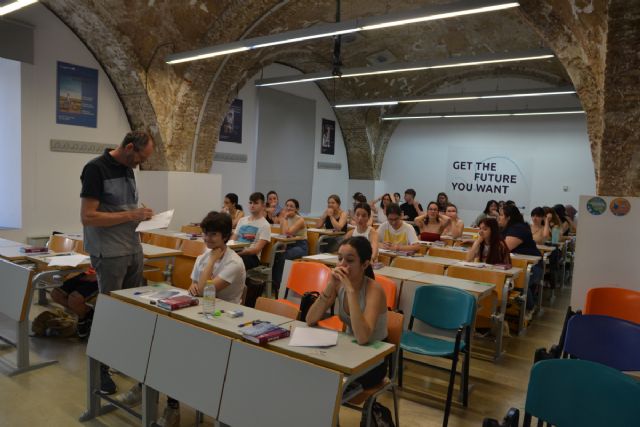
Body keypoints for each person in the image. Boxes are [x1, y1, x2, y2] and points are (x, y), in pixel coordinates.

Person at [80, 130, 154, 397]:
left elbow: (123, 208)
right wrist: (131, 214)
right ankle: (99, 369)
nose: (139, 164)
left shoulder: (127, 169)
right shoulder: (94, 169)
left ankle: (119, 359)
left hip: (132, 247)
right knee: (109, 311)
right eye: (139, 158)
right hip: (109, 252)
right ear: (129, 147)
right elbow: (88, 217)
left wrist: (141, 215)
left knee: (129, 310)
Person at [159, 211, 246, 427]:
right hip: (203, 314)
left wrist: (212, 261)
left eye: (213, 234)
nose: (207, 239)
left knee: (188, 356)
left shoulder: (234, 262)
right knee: (167, 348)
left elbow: (205, 289)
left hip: (226, 322)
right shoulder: (202, 256)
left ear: (225, 236)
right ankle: (170, 404)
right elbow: (194, 288)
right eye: (205, 233)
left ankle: (217, 410)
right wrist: (205, 269)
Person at [306, 237, 388, 387]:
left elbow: (363, 338)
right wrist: (330, 285)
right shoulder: (338, 285)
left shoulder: (374, 290)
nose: (342, 265)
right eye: (339, 259)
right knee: (310, 368)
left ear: (364, 264)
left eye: (349, 261)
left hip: (375, 357)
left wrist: (350, 291)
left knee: (327, 380)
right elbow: (310, 319)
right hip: (351, 348)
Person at [499, 204, 542, 309]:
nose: (498, 217)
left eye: (500, 215)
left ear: (508, 217)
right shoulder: (506, 228)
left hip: (532, 266)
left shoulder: (518, 229)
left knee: (518, 280)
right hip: (515, 265)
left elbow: (504, 248)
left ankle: (529, 309)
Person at [272, 199, 308, 294]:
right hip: (288, 244)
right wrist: (284, 219)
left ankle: (280, 286)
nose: (288, 208)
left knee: (284, 257)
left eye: (291, 206)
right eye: (287, 205)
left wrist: (284, 218)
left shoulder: (300, 220)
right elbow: (283, 234)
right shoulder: (285, 218)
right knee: (275, 255)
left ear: (296, 209)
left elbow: (288, 233)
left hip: (300, 246)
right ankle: (273, 284)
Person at [50, 267, 98, 339]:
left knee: (74, 299)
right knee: (56, 294)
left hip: (103, 276)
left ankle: (83, 319)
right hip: (87, 271)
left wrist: (97, 275)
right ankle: (88, 313)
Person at [233, 192, 271, 270]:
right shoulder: (242, 220)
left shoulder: (265, 225)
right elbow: (233, 240)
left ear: (263, 206)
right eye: (250, 202)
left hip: (252, 257)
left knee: (233, 263)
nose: (252, 205)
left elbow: (256, 250)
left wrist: (239, 253)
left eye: (256, 203)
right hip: (238, 251)